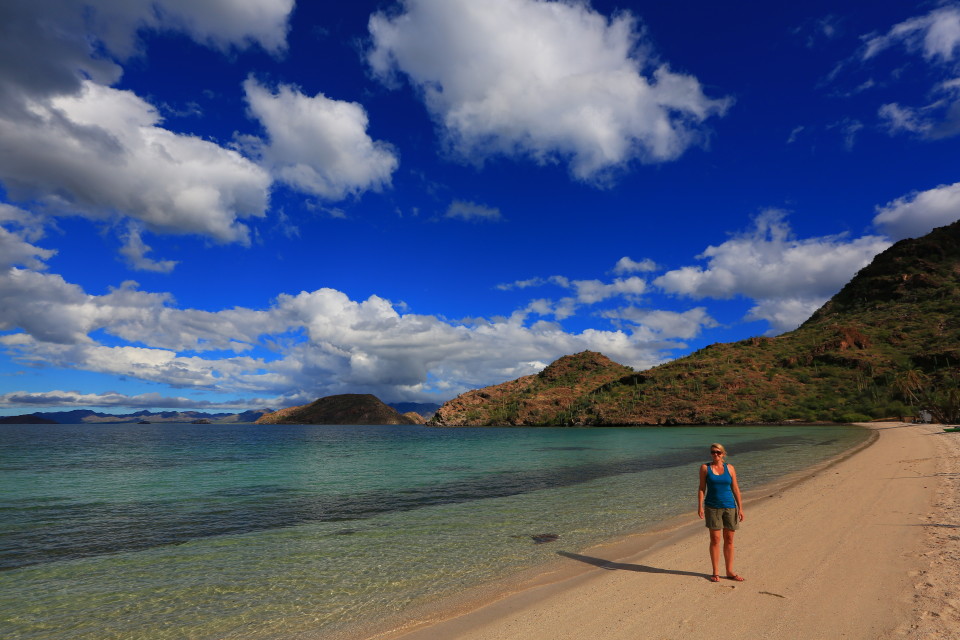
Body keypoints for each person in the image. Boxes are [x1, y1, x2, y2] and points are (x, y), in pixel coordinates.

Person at [697, 443, 744, 582]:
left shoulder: (730, 468)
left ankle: (729, 571)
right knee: (715, 539)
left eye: (718, 452)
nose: (715, 454)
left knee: (729, 540)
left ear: (723, 454)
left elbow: (735, 488)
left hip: (730, 506)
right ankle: (715, 572)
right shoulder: (705, 468)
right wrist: (700, 506)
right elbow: (701, 488)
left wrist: (740, 508)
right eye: (713, 452)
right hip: (712, 507)